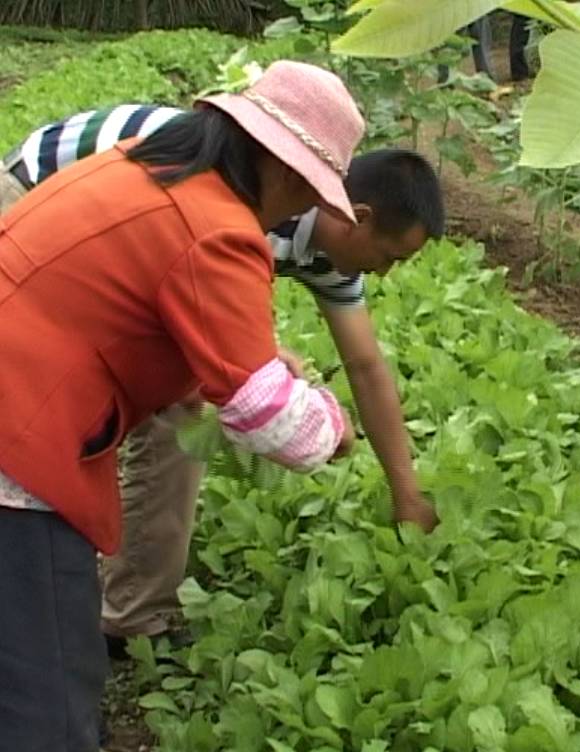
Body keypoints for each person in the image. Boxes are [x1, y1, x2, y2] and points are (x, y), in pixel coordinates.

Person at [0, 60, 372, 749]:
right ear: (287, 173)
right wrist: (330, 421)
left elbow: (142, 315)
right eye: (306, 195)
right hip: (18, 448)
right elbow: (275, 423)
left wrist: (244, 363)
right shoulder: (219, 228)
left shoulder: (134, 168)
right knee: (44, 703)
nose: (295, 214)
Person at [1, 104, 445, 660]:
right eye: (389, 256)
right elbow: (265, 404)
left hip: (133, 224)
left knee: (181, 393)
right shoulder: (250, 185)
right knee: (59, 385)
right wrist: (319, 423)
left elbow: (365, 366)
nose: (385, 274)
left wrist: (405, 494)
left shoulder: (322, 233)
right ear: (355, 213)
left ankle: (133, 613)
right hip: (39, 190)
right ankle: (48, 522)